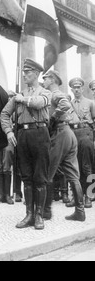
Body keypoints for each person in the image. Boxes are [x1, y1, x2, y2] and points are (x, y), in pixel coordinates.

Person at [0, 58, 51, 230]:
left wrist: (22, 99)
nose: (25, 76)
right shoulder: (18, 95)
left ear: (36, 74)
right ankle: (29, 214)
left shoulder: (45, 92)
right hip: (22, 135)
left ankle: (39, 215)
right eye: (24, 73)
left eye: (28, 73)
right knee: (26, 176)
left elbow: (39, 103)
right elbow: (4, 114)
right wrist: (8, 132)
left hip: (40, 134)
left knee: (40, 177)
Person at [42, 70, 85, 222]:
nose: (44, 80)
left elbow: (66, 104)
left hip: (59, 133)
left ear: (52, 79)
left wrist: (53, 118)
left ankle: (46, 211)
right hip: (69, 133)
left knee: (48, 172)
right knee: (73, 175)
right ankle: (80, 211)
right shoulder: (52, 93)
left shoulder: (55, 93)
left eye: (45, 78)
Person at [66, 77, 95, 209]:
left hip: (86, 133)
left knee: (87, 166)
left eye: (79, 87)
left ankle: (89, 196)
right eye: (74, 87)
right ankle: (76, 197)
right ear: (71, 89)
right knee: (74, 167)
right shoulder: (68, 104)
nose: (76, 89)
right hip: (73, 134)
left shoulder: (90, 103)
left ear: (82, 89)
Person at [0, 90, 16, 205]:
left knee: (7, 165)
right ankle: (1, 194)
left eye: (11, 97)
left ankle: (7, 195)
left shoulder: (13, 109)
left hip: (8, 139)